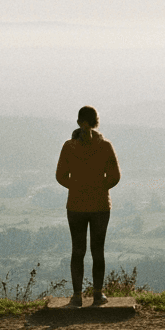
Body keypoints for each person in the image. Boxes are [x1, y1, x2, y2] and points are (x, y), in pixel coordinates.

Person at [54, 105, 121, 307]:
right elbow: (115, 177)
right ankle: (98, 295)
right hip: (100, 206)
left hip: (75, 205)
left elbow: (60, 176)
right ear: (96, 123)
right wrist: (98, 188)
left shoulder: (69, 147)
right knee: (97, 250)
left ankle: (77, 296)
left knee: (77, 250)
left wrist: (77, 187)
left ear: (78, 122)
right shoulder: (105, 146)